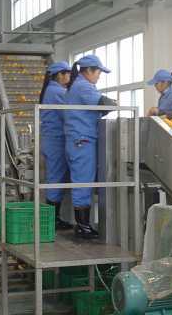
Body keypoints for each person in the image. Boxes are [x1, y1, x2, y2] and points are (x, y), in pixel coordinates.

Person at [64, 55, 117, 239]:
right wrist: (114, 103)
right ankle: (82, 226)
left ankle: (84, 225)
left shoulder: (80, 85)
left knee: (83, 180)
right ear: (88, 70)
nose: (99, 76)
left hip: (81, 139)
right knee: (83, 181)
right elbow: (102, 103)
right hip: (82, 140)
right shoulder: (83, 86)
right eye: (98, 72)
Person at [39, 61, 73, 230]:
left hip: (51, 139)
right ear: (60, 75)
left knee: (55, 177)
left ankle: (53, 218)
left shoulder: (51, 90)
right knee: (55, 178)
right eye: (68, 73)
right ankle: (52, 220)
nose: (70, 76)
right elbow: (69, 113)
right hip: (55, 141)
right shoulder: (57, 91)